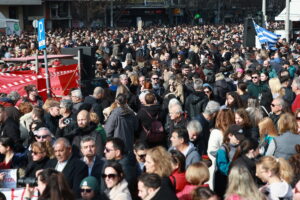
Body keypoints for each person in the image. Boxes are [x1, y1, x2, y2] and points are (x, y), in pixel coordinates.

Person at [207, 109, 235, 189]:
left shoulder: (216, 133)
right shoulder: (230, 133)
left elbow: (211, 152)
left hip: (218, 170)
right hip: (229, 168)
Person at [214, 124, 245, 197]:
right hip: (225, 183)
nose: (239, 140)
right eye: (237, 137)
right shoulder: (223, 150)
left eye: (240, 138)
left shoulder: (241, 147)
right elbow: (223, 169)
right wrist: (234, 161)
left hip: (238, 182)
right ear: (229, 135)